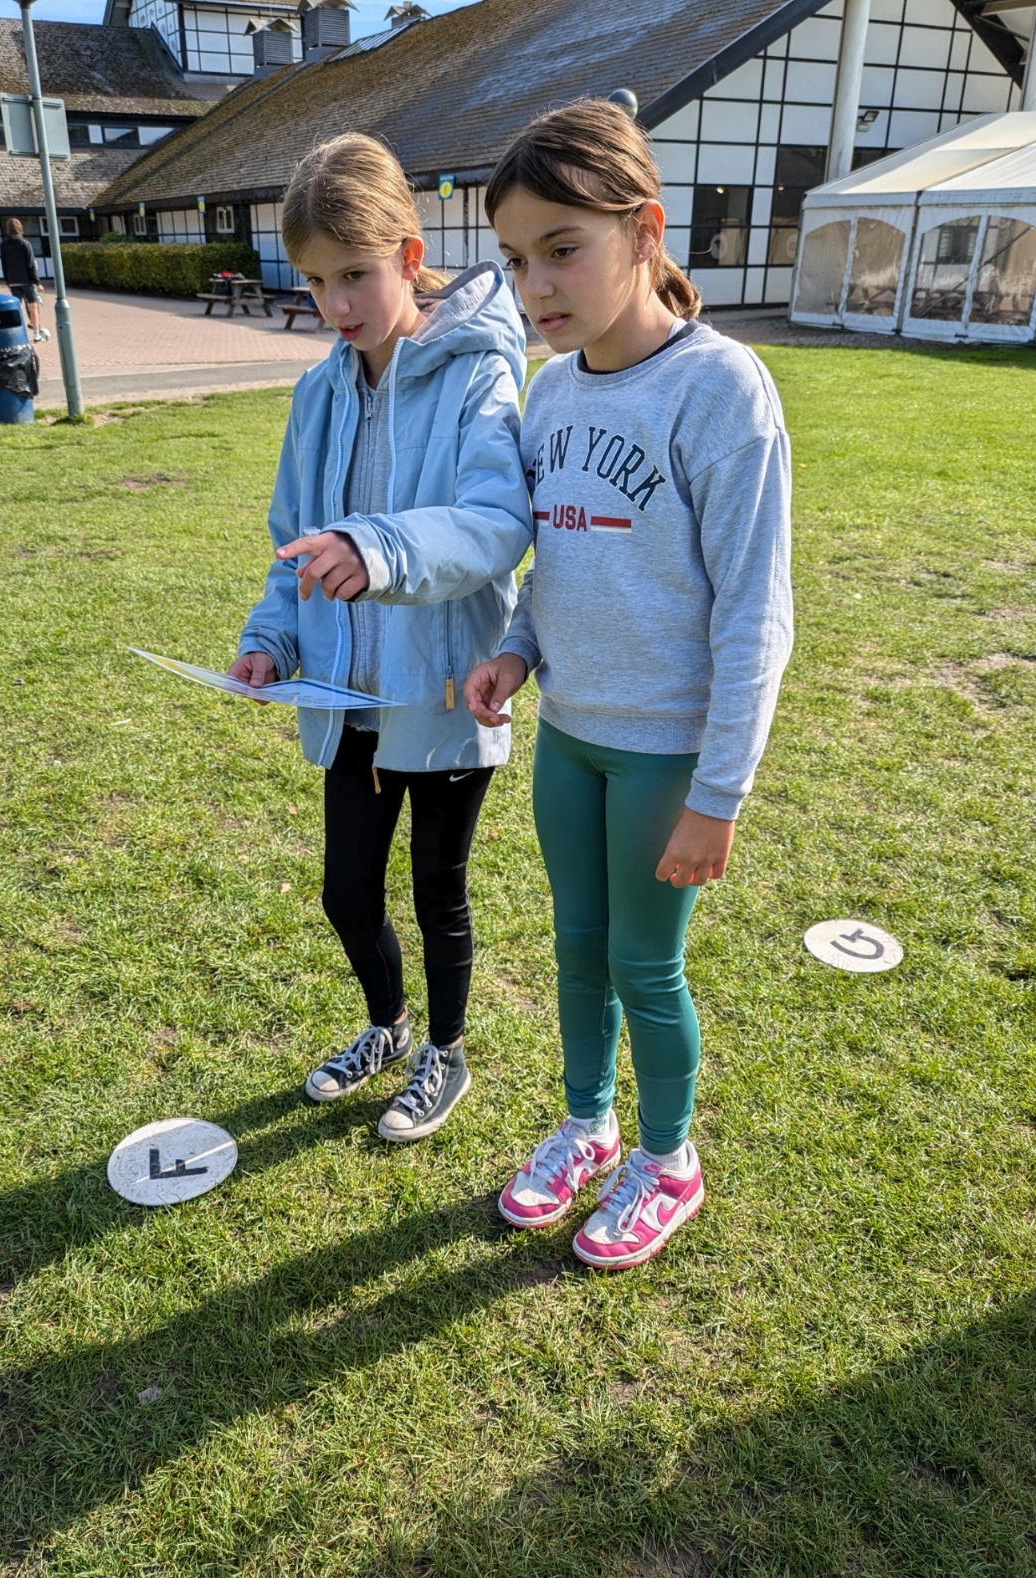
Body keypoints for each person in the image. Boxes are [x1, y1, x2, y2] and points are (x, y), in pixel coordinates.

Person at [464, 101, 793, 1269]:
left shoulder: (720, 387)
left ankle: (668, 1157)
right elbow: (553, 562)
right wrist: (515, 651)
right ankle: (587, 1124)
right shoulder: (549, 393)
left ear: (645, 230)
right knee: (577, 947)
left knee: (644, 966)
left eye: (563, 247)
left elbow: (756, 611)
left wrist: (718, 794)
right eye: (516, 258)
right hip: (571, 739)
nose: (535, 285)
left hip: (666, 754)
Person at [231, 134, 533, 1142]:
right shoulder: (318, 392)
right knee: (344, 893)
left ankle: (445, 1052)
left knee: (437, 890)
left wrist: (379, 548)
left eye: (354, 274)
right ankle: (388, 1026)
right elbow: (291, 542)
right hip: (344, 694)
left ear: (409, 256)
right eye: (317, 281)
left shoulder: (477, 373)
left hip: (445, 688)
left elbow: (495, 524)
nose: (337, 304)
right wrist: (272, 639)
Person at [0, 218, 51, 344]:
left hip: (13, 281)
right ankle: (36, 334)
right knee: (33, 307)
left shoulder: (3, 245)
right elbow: (31, 264)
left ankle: (18, 335)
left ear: (8, 230)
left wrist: (8, 281)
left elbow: (4, 265)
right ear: (20, 228)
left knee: (16, 307)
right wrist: (37, 282)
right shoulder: (25, 244)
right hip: (27, 281)